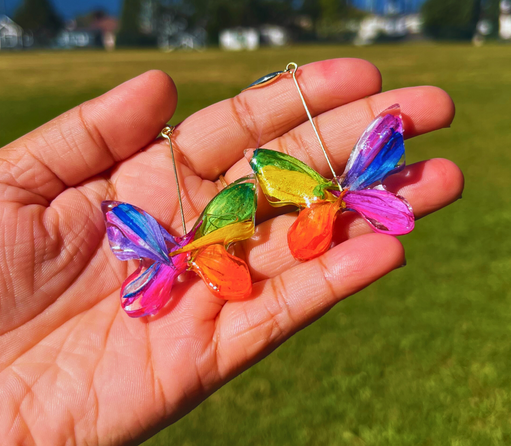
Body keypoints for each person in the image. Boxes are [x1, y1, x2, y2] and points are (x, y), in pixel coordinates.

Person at [0, 59, 463, 445]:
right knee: (255, 259)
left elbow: (253, 180)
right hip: (218, 244)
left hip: (263, 223)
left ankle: (350, 198)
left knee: (298, 237)